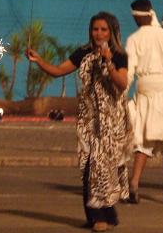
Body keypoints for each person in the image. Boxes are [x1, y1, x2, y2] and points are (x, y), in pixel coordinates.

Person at [26, 12, 132, 232]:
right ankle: (97, 215)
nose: (99, 33)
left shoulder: (120, 55)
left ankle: (102, 216)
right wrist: (39, 61)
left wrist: (108, 60)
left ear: (111, 31)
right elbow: (58, 71)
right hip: (87, 119)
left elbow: (122, 83)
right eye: (95, 29)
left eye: (104, 29)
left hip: (110, 121)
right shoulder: (83, 52)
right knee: (87, 167)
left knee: (103, 167)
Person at [126, 0, 163, 204]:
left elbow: (130, 71)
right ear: (151, 14)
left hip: (146, 90)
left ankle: (134, 183)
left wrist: (122, 95)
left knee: (143, 141)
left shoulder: (133, 39)